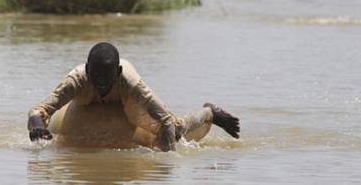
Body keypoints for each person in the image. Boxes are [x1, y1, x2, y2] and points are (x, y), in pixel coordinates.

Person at [27, 42, 240, 151]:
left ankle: (210, 112)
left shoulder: (131, 83)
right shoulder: (76, 81)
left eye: (106, 78)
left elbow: (164, 120)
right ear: (87, 70)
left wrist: (167, 156)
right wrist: (37, 126)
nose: (100, 83)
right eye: (95, 76)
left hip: (127, 102)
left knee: (175, 129)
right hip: (83, 106)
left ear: (117, 74)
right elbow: (40, 110)